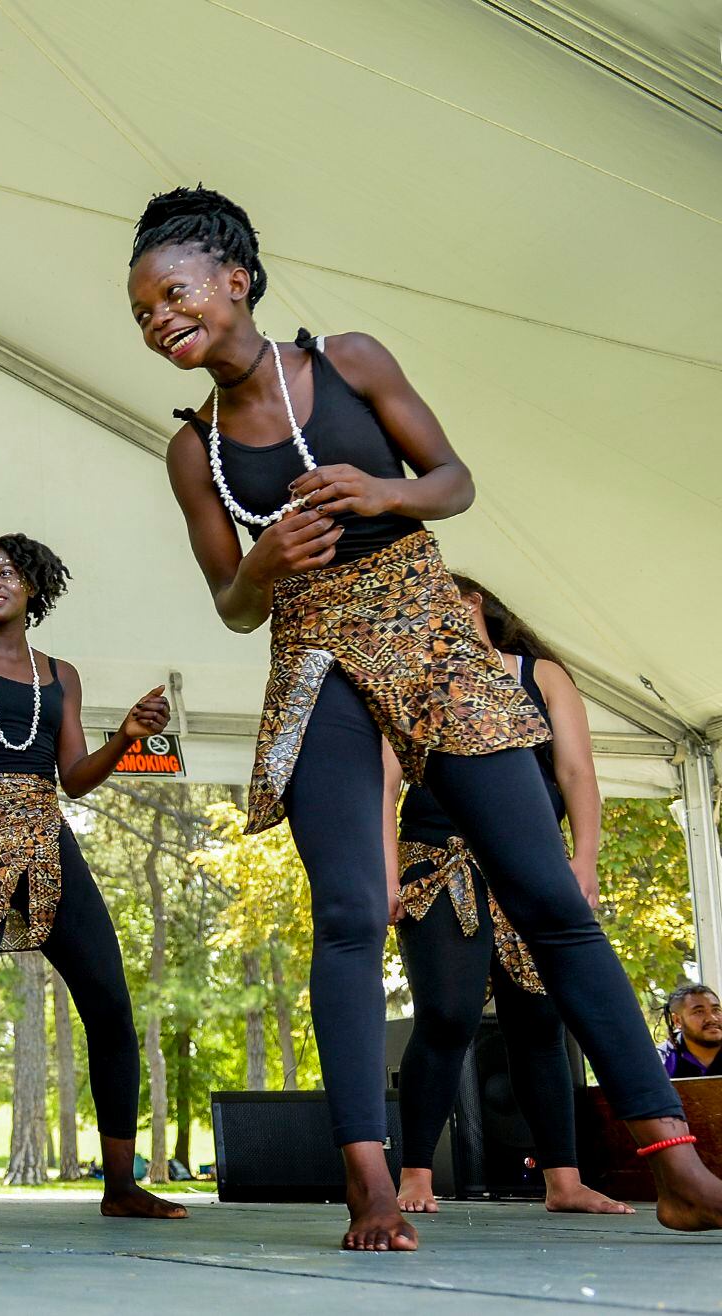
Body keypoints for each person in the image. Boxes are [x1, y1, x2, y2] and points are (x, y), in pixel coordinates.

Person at [127, 185, 722, 1248]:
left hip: (432, 635)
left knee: (549, 897)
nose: (159, 319)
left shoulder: (350, 360)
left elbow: (453, 480)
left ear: (236, 279)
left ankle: (676, 1167)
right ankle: (371, 1183)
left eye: (174, 293)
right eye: (142, 312)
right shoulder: (194, 450)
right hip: (314, 658)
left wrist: (382, 492)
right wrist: (261, 560)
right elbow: (231, 600)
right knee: (353, 912)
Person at [0, 534, 185, 1224]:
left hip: (47, 837)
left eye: (5, 572)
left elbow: (76, 779)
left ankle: (120, 1185)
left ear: (32, 585)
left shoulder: (62, 674)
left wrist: (126, 737)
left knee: (111, 1006)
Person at [385, 576, 627, 1216]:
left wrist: (584, 860)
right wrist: (384, 869)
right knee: (446, 1013)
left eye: (447, 601)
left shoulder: (540, 676)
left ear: (476, 605)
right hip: (440, 860)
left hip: (530, 862)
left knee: (540, 1022)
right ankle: (414, 1175)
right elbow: (385, 780)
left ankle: (564, 1182)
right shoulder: (410, 679)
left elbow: (577, 773)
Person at [661, 985, 721, 1079]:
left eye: (716, 1010)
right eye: (699, 1012)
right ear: (677, 1020)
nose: (712, 1018)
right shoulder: (663, 1060)